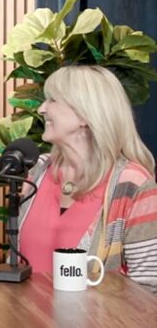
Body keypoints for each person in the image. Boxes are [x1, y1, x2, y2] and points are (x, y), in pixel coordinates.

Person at [18, 65, 157, 292]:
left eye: (52, 100)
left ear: (84, 115)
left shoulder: (132, 185)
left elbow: (149, 289)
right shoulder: (38, 171)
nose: (42, 109)